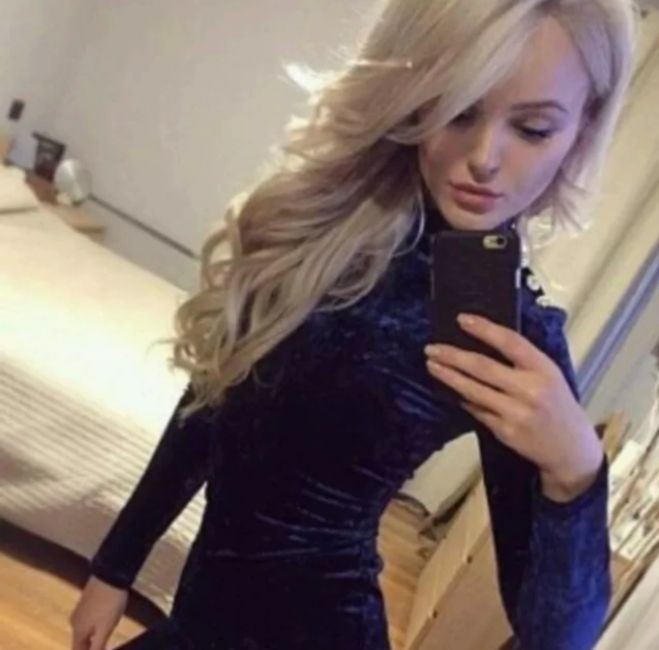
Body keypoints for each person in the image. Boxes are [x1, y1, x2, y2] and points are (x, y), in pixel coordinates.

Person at [69, 0, 639, 648]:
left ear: (580, 131)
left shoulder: (508, 333)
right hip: (199, 626)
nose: (485, 157)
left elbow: (557, 637)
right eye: (458, 109)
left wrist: (576, 472)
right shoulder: (323, 234)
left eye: (533, 128)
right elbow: (213, 400)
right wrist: (114, 567)